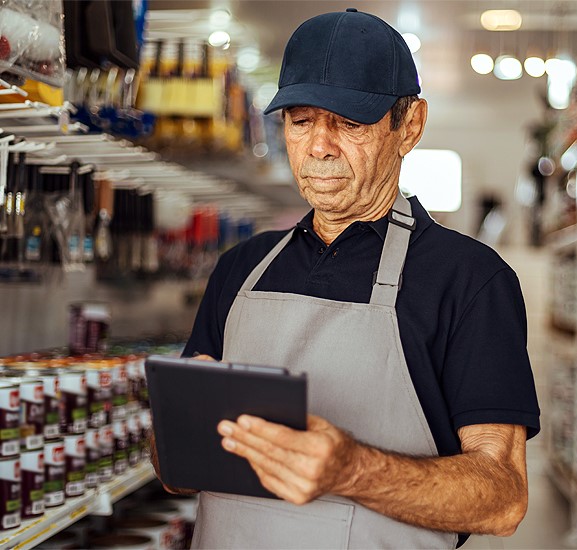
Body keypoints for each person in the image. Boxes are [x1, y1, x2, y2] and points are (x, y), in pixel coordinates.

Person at [158, 8, 540, 549]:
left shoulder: (470, 280)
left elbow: (503, 498)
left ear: (409, 127)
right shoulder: (239, 269)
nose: (319, 146)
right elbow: (177, 472)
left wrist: (351, 471)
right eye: (301, 120)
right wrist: (177, 430)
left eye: (350, 122)